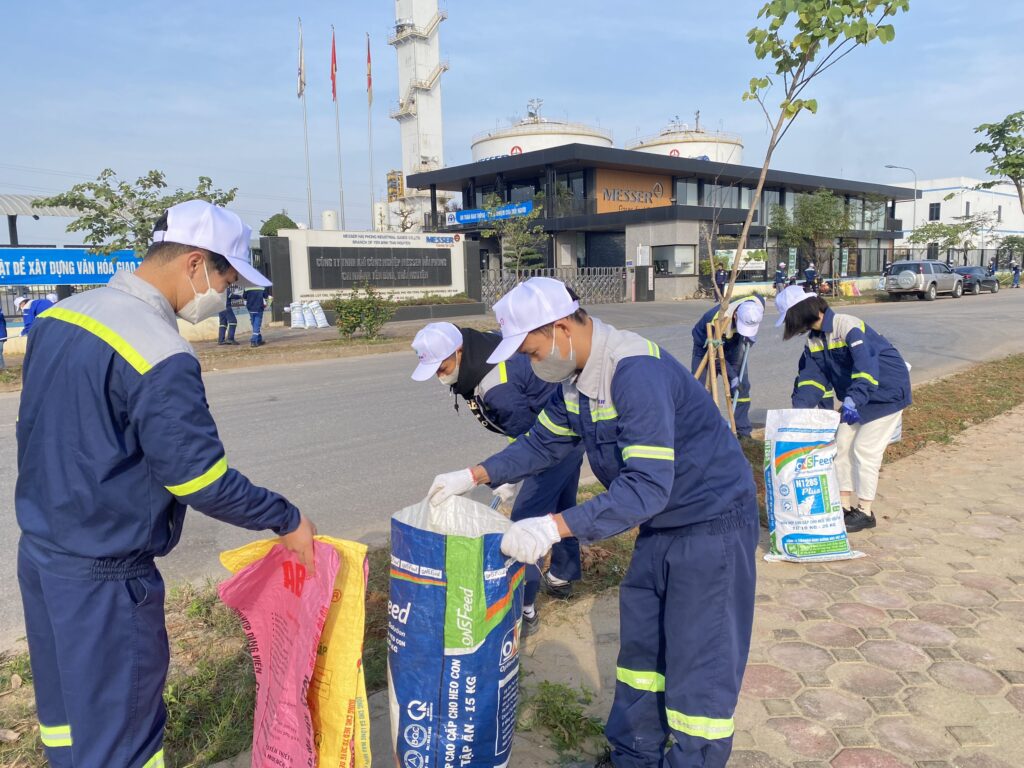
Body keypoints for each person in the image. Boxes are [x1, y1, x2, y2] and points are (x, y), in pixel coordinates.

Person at [16, 199, 315, 768]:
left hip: (44, 557)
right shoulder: (160, 350)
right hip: (106, 579)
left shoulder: (62, 317)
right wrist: (286, 517)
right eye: (228, 278)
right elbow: (200, 480)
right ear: (197, 264)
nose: (225, 294)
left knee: (65, 725)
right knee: (123, 744)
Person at [429, 277, 759, 767]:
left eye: (533, 349)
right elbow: (543, 444)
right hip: (661, 525)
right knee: (642, 655)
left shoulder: (633, 372)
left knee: (699, 664)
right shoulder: (579, 381)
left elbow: (646, 486)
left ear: (561, 327)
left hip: (712, 526)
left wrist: (551, 528)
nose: (531, 362)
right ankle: (633, 756)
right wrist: (473, 474)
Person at [410, 321, 586, 634]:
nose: (440, 376)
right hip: (564, 432)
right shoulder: (480, 350)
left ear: (459, 351)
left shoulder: (497, 388)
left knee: (523, 524)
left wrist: (512, 474)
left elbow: (532, 439)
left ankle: (524, 607)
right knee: (561, 504)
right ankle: (563, 574)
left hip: (557, 440)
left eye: (443, 367)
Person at [776, 285, 911, 533]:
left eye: (788, 318)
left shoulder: (847, 325)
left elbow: (866, 368)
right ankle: (843, 507)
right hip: (858, 397)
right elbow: (811, 379)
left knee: (864, 450)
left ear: (800, 313)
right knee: (840, 448)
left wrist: (853, 399)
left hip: (886, 394)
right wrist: (799, 411)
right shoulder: (815, 340)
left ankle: (865, 511)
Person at [690, 295, 765, 438]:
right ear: (735, 315)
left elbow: (757, 303)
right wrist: (732, 375)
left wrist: (750, 337)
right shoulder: (716, 319)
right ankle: (706, 432)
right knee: (702, 389)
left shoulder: (757, 305)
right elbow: (716, 358)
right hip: (707, 344)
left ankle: (743, 431)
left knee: (741, 386)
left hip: (734, 340)